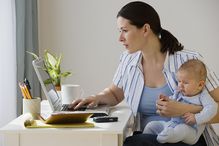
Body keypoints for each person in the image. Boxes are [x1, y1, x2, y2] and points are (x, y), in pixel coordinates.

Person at [71, 1, 219, 146]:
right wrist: (96, 98)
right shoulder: (128, 60)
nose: (120, 38)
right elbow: (115, 94)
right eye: (119, 31)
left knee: (130, 143)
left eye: (125, 30)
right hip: (150, 136)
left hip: (187, 138)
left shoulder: (190, 61)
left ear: (145, 29)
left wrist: (183, 110)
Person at [143, 59, 218, 145]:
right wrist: (166, 100)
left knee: (182, 129)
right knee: (152, 125)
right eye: (179, 81)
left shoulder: (202, 96)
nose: (180, 85)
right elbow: (173, 101)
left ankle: (164, 138)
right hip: (171, 124)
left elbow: (212, 108)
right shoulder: (179, 92)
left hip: (191, 130)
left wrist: (197, 118)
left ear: (200, 85)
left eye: (185, 82)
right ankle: (151, 137)